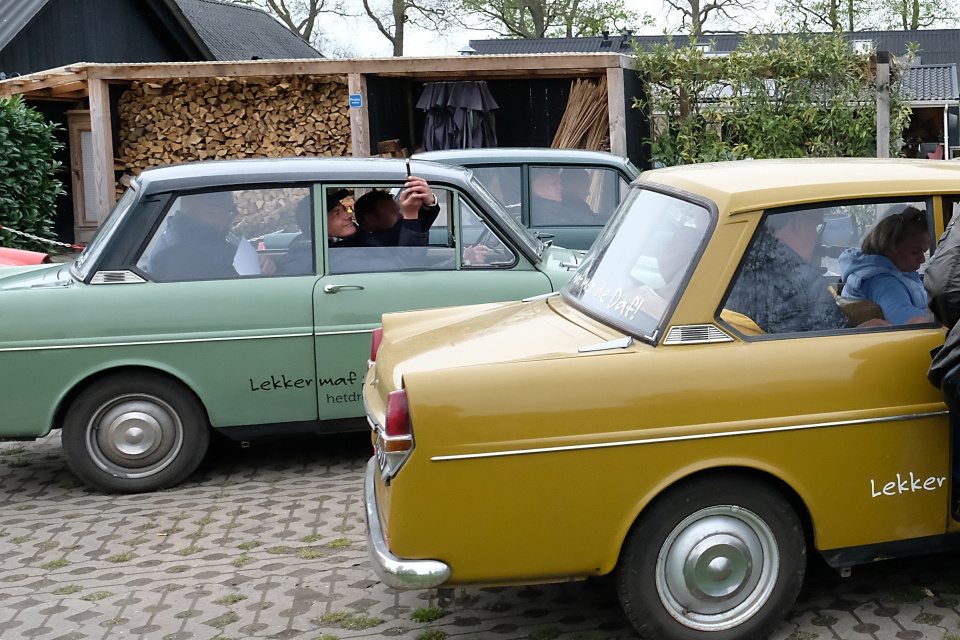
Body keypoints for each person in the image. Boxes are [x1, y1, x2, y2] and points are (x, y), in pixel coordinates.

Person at [726, 210, 889, 333]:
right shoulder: (805, 284)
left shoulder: (737, 263)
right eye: (817, 227)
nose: (817, 238)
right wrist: (862, 332)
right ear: (799, 224)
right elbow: (835, 347)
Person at [145, 190, 276, 281]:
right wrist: (255, 277)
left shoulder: (206, 238)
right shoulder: (180, 256)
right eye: (231, 211)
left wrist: (261, 263)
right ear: (211, 212)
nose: (232, 218)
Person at [839, 206, 932, 325]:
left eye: (924, 251)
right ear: (889, 246)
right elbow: (910, 323)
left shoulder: (878, 272)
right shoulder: (886, 284)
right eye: (915, 252)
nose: (922, 259)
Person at [352, 176, 440, 247]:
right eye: (393, 212)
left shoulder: (391, 233)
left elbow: (420, 224)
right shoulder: (371, 245)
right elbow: (411, 255)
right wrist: (411, 215)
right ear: (371, 220)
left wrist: (428, 203)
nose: (400, 216)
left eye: (398, 211)